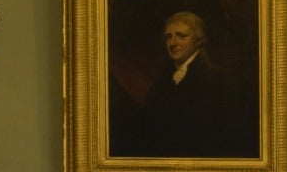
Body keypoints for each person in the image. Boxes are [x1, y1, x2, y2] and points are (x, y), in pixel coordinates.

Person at [109, 8, 260, 159]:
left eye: (181, 36)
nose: (173, 43)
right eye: (168, 36)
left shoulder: (217, 80)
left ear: (198, 40)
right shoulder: (164, 80)